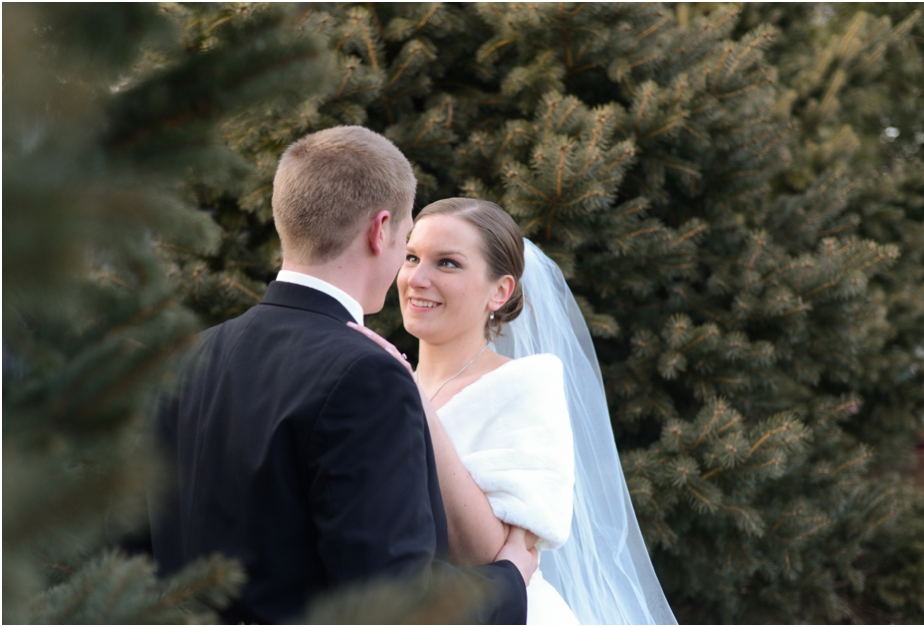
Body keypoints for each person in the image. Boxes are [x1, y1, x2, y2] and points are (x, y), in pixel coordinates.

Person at [148, 128, 537, 624]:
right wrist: (509, 579)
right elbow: (389, 601)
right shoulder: (365, 375)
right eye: (406, 239)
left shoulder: (186, 359)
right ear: (380, 231)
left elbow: (137, 561)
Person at [351, 198, 677, 624]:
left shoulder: (526, 386)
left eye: (447, 263)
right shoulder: (379, 382)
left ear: (500, 291)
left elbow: (487, 557)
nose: (418, 278)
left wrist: (413, 401)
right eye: (412, 257)